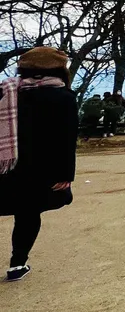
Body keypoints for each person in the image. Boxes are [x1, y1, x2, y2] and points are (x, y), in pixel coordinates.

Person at [0, 47, 77, 282]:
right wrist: (65, 173)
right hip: (40, 169)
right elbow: (66, 139)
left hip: (4, 166)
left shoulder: (6, 91)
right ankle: (17, 263)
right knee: (28, 213)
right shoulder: (62, 97)